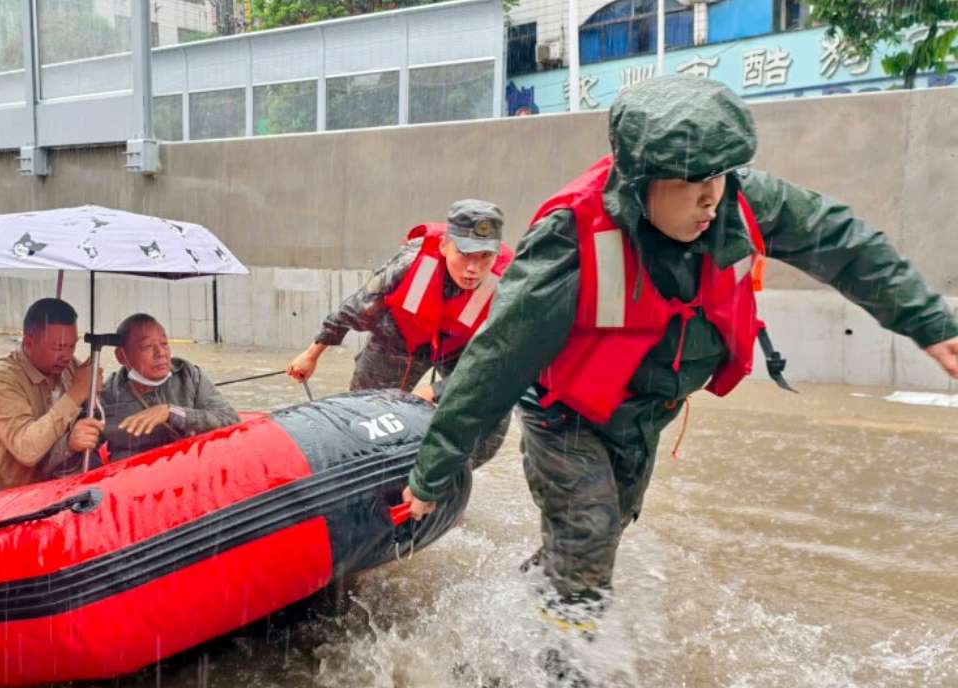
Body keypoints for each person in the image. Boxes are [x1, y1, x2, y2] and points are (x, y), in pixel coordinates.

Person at [402, 75, 958, 637]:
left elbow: (844, 243)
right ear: (642, 181)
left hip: (643, 418)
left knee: (592, 546)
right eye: (693, 181)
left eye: (719, 176)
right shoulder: (571, 236)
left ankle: (510, 627)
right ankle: (563, 686)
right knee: (589, 539)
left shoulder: (742, 202)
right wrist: (432, 474)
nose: (711, 196)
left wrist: (928, 322)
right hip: (565, 416)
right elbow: (497, 358)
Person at [286, 199, 516, 466]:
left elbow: (499, 363)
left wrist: (434, 392)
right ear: (444, 246)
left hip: (462, 347)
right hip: (400, 337)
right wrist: (312, 354)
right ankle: (367, 472)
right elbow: (356, 307)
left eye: (485, 256)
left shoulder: (510, 283)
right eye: (465, 254)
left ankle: (442, 477)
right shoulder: (410, 262)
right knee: (363, 416)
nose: (473, 269)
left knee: (493, 411)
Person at [0, 298, 104, 494]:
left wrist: (94, 394)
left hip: (55, 485)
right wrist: (76, 394)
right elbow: (27, 449)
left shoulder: (69, 368)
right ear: (29, 342)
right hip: (3, 496)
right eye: (58, 348)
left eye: (71, 346)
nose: (66, 356)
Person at [95, 313, 239, 462]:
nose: (161, 353)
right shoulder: (106, 395)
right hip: (134, 479)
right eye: (147, 347)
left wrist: (173, 413)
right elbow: (84, 452)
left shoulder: (188, 375)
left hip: (187, 471)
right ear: (121, 355)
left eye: (164, 343)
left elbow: (230, 420)